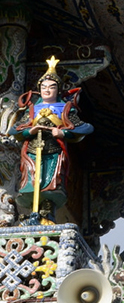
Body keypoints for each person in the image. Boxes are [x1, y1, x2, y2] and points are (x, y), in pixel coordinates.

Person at [11, 56, 92, 221]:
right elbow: (15, 129)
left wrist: (63, 133)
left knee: (50, 184)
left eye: (52, 87)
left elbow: (86, 127)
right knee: (32, 184)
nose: (47, 90)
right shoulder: (32, 110)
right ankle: (32, 215)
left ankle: (47, 212)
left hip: (53, 152)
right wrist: (30, 131)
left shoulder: (65, 109)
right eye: (44, 87)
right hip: (33, 151)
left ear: (58, 90)